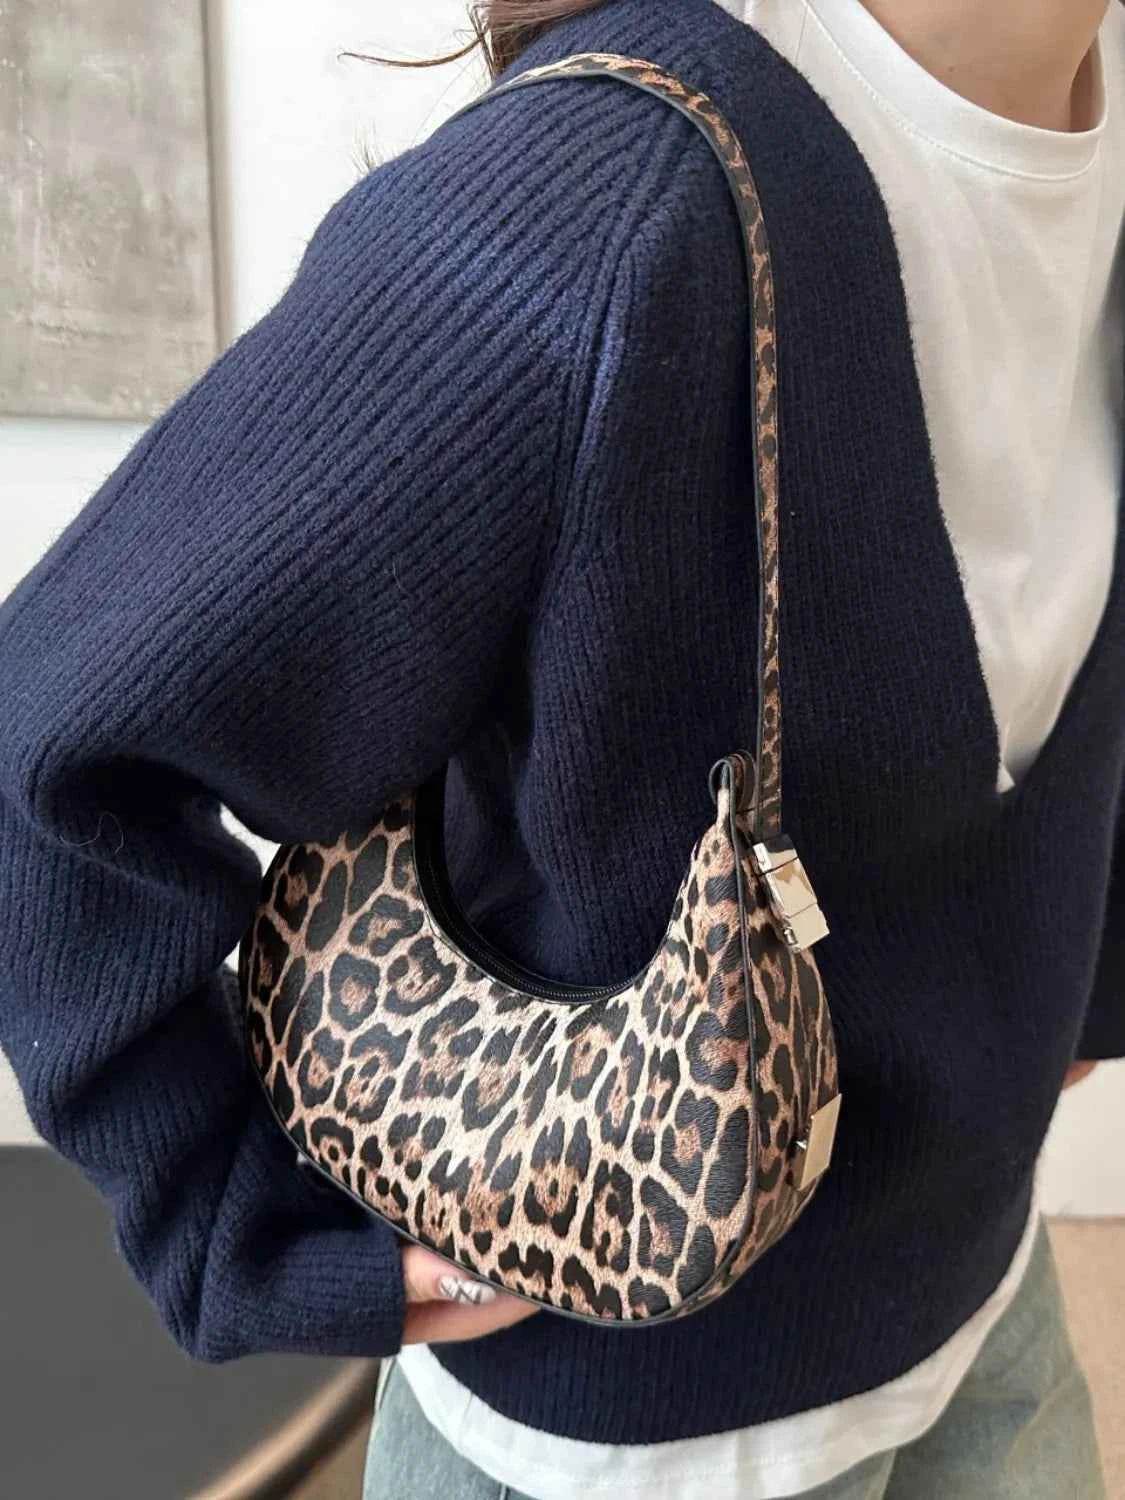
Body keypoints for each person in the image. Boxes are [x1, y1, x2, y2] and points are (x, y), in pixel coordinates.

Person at [0, 0, 1120, 1496]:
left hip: (976, 1298)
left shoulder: (1088, 121)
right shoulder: (601, 209)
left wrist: (1075, 986)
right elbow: (50, 736)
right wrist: (229, 1221)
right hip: (636, 1437)